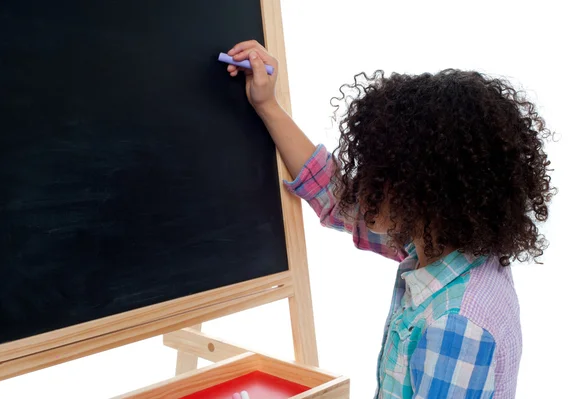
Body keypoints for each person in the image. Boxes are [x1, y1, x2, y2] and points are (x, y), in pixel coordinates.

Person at [224, 40, 555, 399]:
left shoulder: (456, 325)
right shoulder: (443, 248)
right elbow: (337, 199)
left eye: (381, 171)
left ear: (427, 191)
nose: (362, 183)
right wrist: (267, 105)